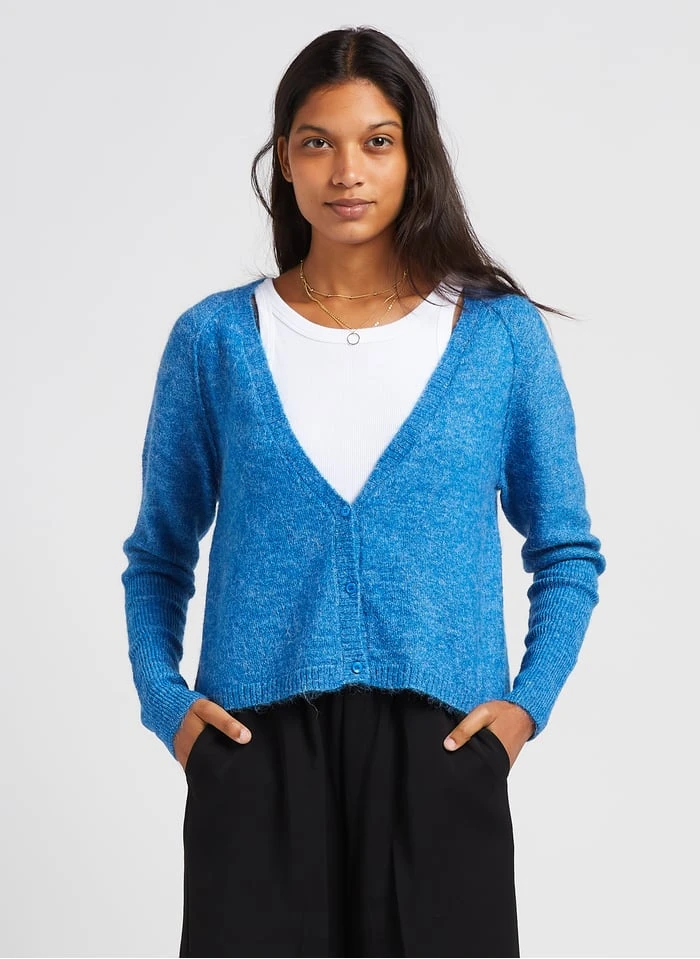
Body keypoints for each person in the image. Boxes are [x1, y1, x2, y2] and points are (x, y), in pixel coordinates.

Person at [121, 25, 606, 959]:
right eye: (319, 142)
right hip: (254, 757)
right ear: (285, 160)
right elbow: (158, 555)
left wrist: (524, 708)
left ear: (414, 156)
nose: (347, 171)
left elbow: (566, 550)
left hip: (445, 756)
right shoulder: (214, 340)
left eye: (377, 141)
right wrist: (167, 705)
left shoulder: (499, 337)